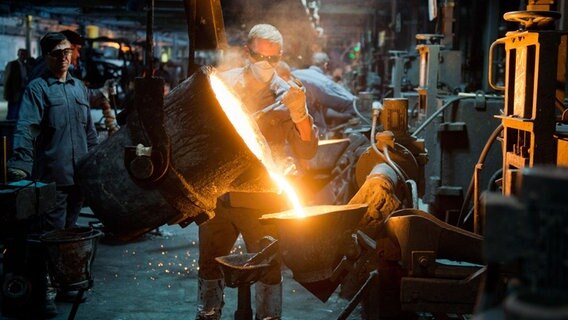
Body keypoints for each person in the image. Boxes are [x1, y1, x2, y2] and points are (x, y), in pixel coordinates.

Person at [195, 24, 318, 320]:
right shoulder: (222, 84)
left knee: (268, 266)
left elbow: (307, 151)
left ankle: (268, 316)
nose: (265, 64)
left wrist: (301, 115)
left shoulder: (289, 95)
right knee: (210, 263)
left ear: (281, 56)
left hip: (262, 200)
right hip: (219, 194)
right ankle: (207, 313)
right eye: (259, 55)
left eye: (272, 59)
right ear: (247, 52)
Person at [287, 52, 357, 138]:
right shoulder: (321, 80)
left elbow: (322, 109)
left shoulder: (296, 73)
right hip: (312, 132)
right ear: (326, 64)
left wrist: (342, 116)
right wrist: (355, 105)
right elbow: (341, 100)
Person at [3, 48, 31, 120]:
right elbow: (7, 80)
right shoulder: (12, 64)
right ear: (18, 54)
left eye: (25, 55)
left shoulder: (26, 66)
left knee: (21, 111)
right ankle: (9, 128)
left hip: (24, 91)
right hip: (14, 92)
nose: (23, 56)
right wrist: (7, 93)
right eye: (21, 54)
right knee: (12, 112)